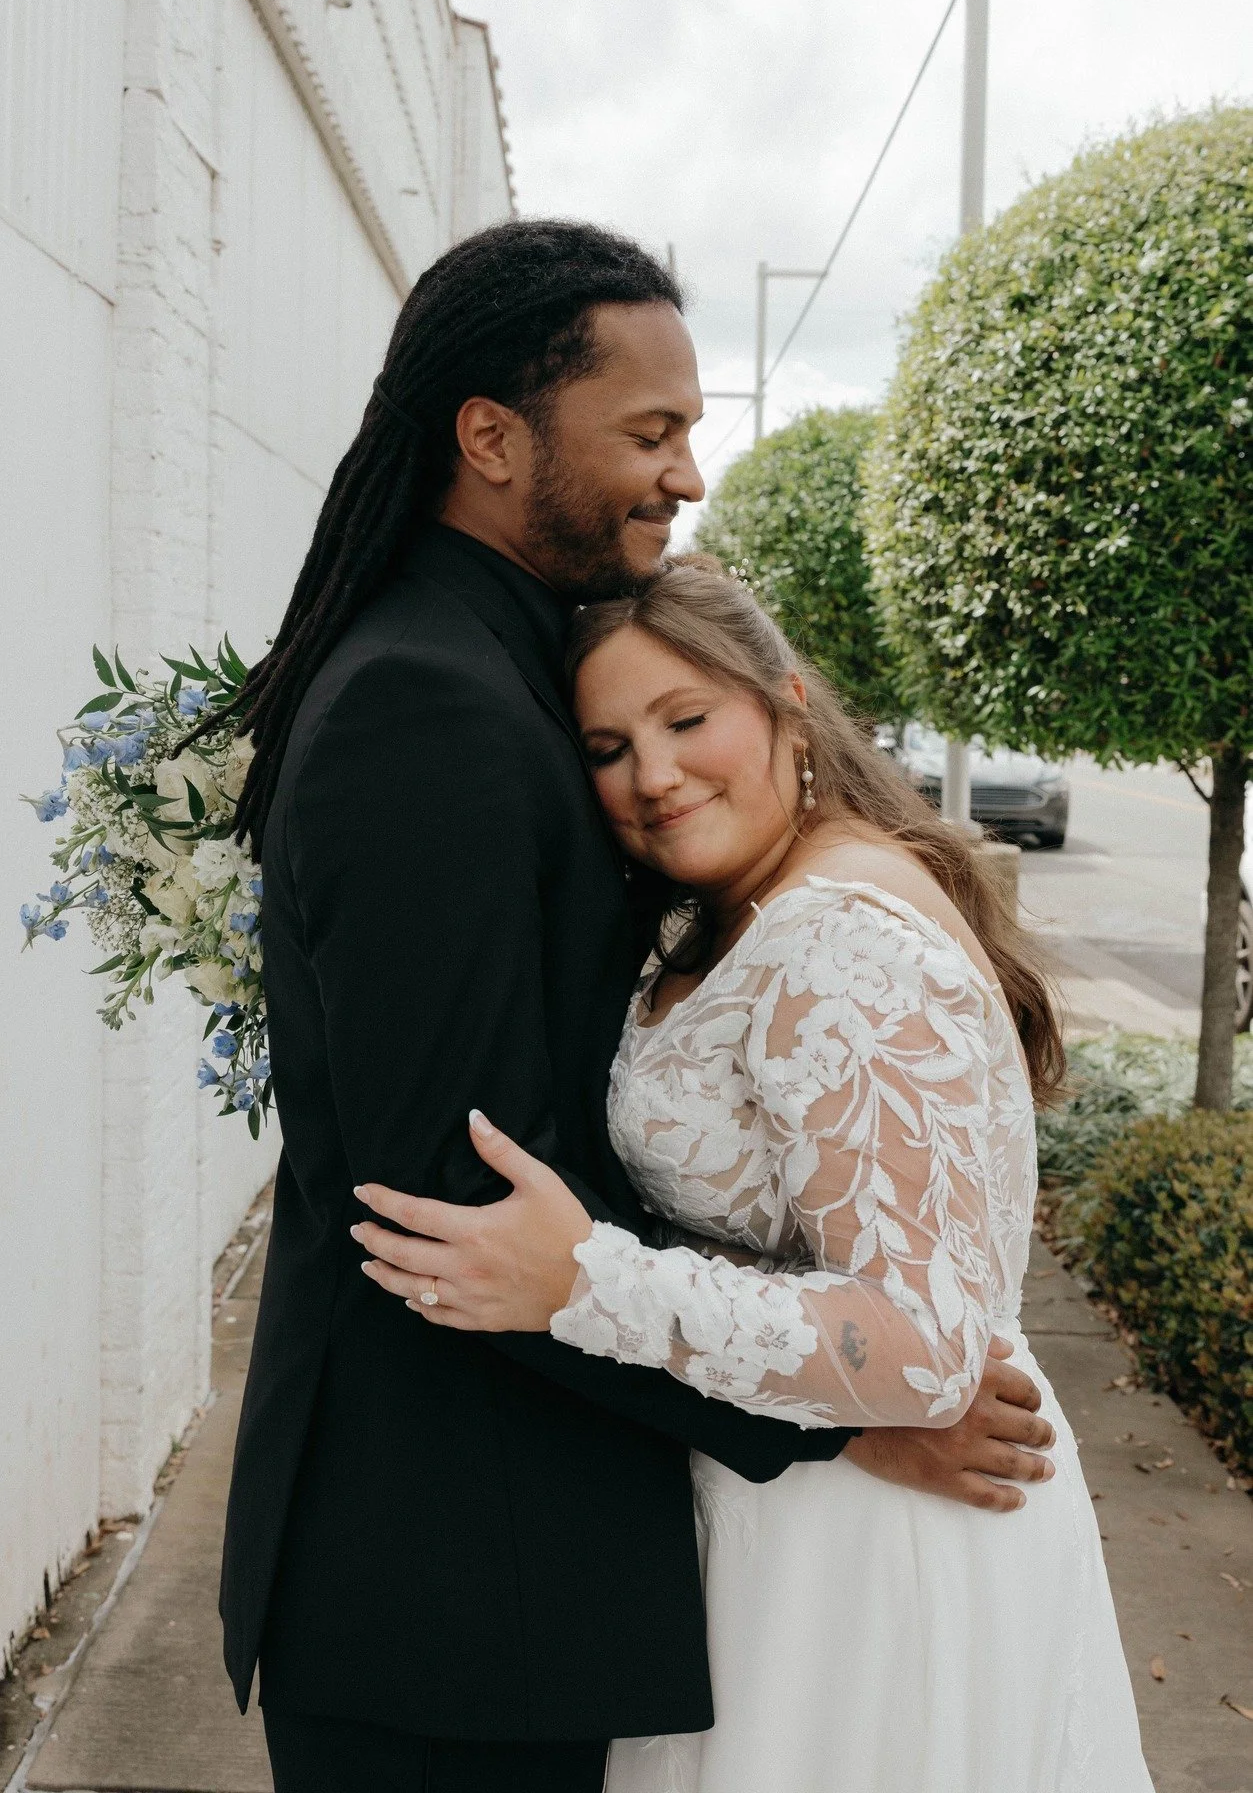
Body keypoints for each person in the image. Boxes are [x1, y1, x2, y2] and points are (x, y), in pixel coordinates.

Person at [216, 220, 1057, 1793]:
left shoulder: (513, 667)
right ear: (490, 437)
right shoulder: (429, 706)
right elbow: (454, 1198)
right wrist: (837, 1418)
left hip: (518, 1569)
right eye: (650, 432)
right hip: (453, 1584)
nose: (683, 477)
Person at [353, 556, 1155, 1793]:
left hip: (877, 1555)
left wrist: (582, 1280)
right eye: (609, 746)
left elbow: (922, 1345)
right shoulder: (748, 905)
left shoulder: (836, 937)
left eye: (687, 720)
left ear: (785, 702)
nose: (653, 774)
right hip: (791, 1505)